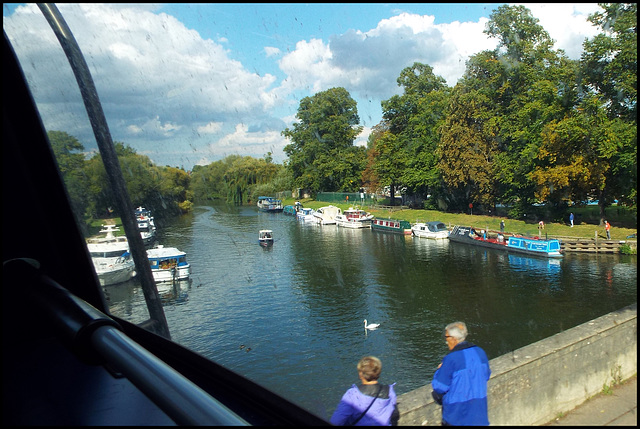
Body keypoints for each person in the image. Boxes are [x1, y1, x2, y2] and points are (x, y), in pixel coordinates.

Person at [431, 322, 491, 426]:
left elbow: (439, 387)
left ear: (454, 338)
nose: (446, 342)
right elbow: (486, 375)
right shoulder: (480, 352)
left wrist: (439, 370)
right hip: (479, 416)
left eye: (446, 337)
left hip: (456, 417)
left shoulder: (451, 359)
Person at [330, 356, 399, 426]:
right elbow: (395, 414)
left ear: (361, 374)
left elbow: (336, 421)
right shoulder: (389, 391)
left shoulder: (352, 395)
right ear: (378, 373)